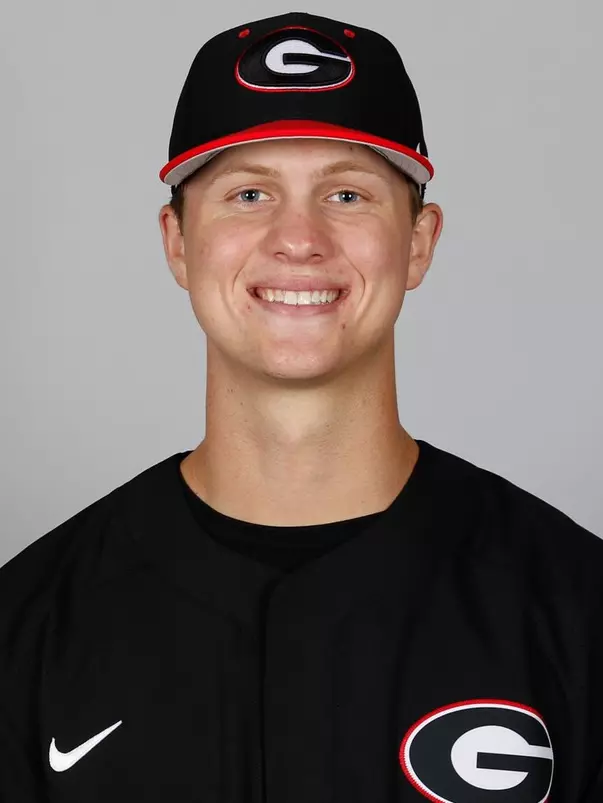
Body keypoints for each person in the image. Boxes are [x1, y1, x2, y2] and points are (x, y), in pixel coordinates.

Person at [1, 11, 602, 802]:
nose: (298, 238)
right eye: (248, 193)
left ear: (418, 242)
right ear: (177, 243)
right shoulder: (28, 625)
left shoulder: (573, 607)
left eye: (346, 193)